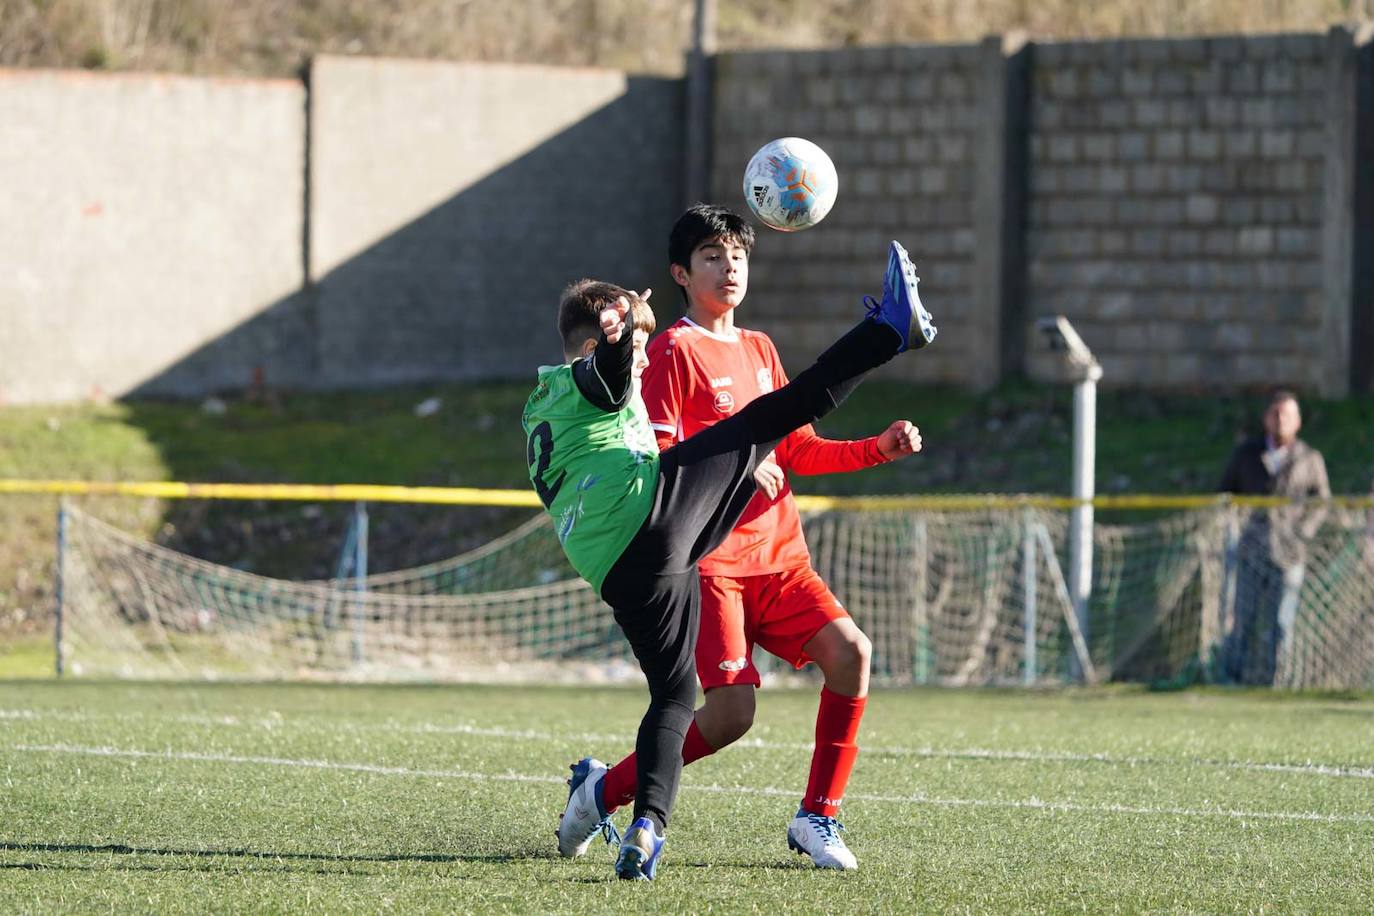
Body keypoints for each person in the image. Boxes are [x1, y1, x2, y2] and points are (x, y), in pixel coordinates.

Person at [524, 242, 935, 880]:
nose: (640, 357)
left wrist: (626, 332)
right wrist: (616, 336)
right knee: (771, 414)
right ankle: (886, 330)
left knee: (674, 697)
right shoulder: (589, 377)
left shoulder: (538, 405)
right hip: (652, 517)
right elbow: (604, 376)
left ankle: (645, 826)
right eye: (635, 348)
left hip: (619, 568)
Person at [1218, 389, 1330, 685]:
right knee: (1242, 620)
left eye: (1287, 415)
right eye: (1276, 414)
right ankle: (1231, 680)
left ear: (1298, 422)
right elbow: (1224, 493)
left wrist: (1301, 533)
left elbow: (1321, 502)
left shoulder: (1309, 458)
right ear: (1266, 418)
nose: (1281, 420)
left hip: (1289, 554)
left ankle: (1276, 682)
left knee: (1281, 622)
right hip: (1250, 551)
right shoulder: (1247, 454)